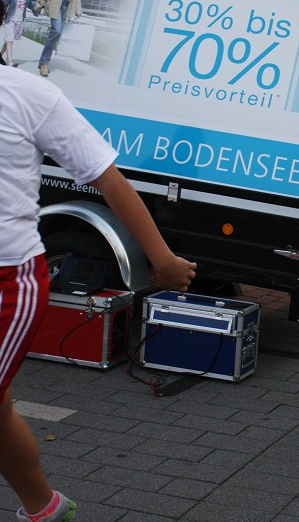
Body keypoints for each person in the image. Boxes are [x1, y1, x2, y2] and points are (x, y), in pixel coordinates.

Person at [0, 65, 197, 522]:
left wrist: (160, 259)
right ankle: (46, 509)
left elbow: (108, 179)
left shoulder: (31, 94)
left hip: (11, 282)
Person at [34, 0, 81, 77]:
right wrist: (39, 5)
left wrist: (78, 9)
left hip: (67, 6)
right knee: (57, 31)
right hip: (56, 5)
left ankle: (43, 60)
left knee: (56, 33)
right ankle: (44, 63)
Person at [2, 0, 33, 68]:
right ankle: (10, 62)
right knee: (10, 40)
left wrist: (35, 11)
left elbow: (29, 4)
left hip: (19, 21)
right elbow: (4, 4)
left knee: (8, 40)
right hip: (10, 19)